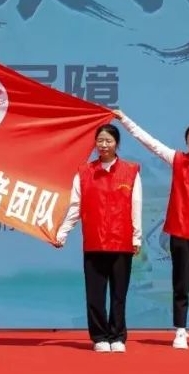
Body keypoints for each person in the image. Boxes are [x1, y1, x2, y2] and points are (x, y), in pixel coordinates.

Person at [114, 110, 189, 350]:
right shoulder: (177, 160)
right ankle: (180, 331)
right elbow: (150, 143)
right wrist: (124, 120)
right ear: (186, 142)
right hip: (181, 232)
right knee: (181, 282)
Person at [55, 124, 142, 353]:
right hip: (94, 242)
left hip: (121, 242)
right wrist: (63, 232)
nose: (104, 145)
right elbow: (75, 207)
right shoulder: (84, 172)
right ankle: (100, 337)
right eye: (100, 141)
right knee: (95, 294)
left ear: (117, 144)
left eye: (108, 141)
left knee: (118, 294)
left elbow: (136, 205)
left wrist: (136, 237)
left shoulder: (131, 171)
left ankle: (118, 336)